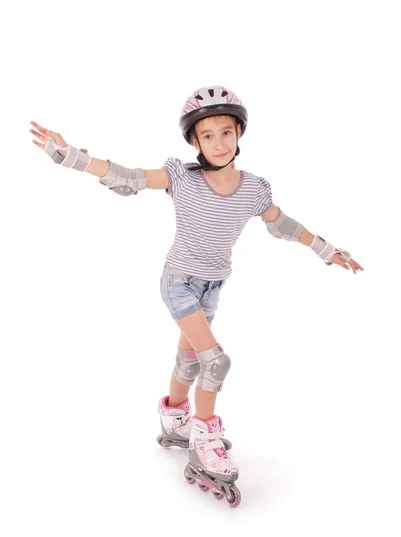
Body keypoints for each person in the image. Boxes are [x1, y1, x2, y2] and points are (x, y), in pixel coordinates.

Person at [29, 84, 364, 508]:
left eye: (227, 132)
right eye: (208, 135)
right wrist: (69, 155)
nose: (219, 142)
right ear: (194, 140)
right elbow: (128, 176)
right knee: (215, 360)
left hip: (212, 285)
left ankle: (174, 416)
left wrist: (327, 250)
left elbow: (285, 226)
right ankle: (204, 435)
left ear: (240, 133)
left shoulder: (253, 189)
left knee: (188, 360)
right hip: (179, 282)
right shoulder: (181, 178)